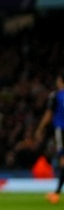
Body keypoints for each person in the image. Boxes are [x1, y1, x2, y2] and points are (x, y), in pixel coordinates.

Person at [34, 75, 64, 203]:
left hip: (62, 129)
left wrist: (40, 128)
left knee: (63, 160)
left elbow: (48, 114)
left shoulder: (56, 96)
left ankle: (56, 193)